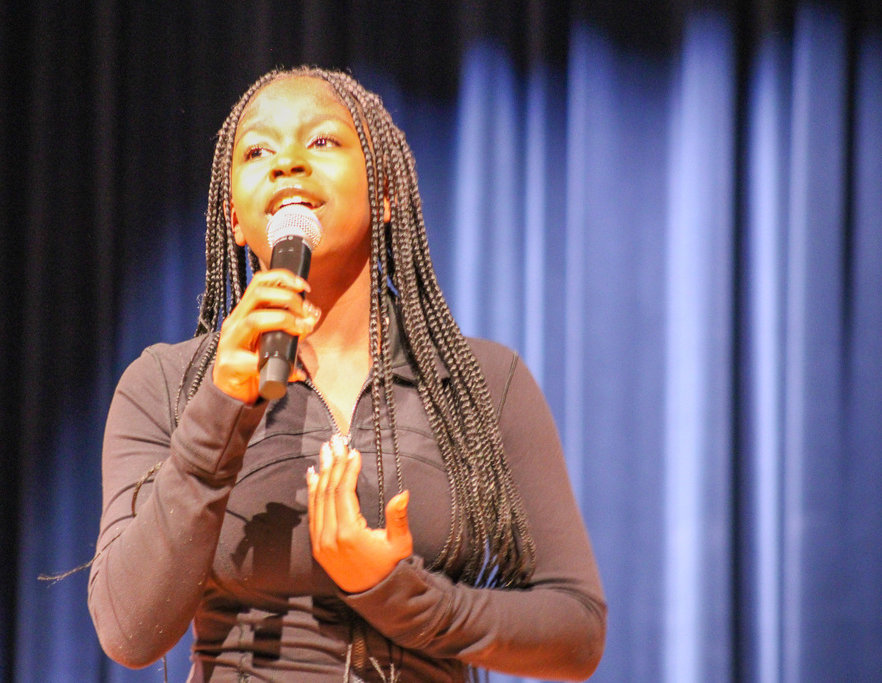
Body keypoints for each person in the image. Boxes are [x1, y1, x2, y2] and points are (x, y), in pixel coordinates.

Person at [88, 66, 606, 682]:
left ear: (385, 193)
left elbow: (576, 633)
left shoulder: (478, 383)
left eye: (323, 141)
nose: (287, 164)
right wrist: (218, 412)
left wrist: (399, 595)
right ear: (232, 217)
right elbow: (127, 630)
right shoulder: (166, 386)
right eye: (258, 151)